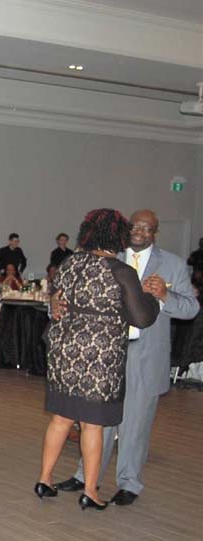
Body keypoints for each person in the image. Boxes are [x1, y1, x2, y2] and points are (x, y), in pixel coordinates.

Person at [56, 210, 199, 505]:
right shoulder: (108, 256)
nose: (140, 232)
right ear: (126, 228)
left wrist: (165, 296)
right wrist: (53, 305)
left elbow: (191, 309)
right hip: (105, 352)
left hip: (145, 354)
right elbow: (67, 293)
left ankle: (129, 482)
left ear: (155, 233)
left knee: (135, 423)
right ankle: (86, 477)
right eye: (135, 226)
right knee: (97, 418)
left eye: (147, 228)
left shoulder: (172, 264)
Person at [36, 209, 161, 511]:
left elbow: (56, 296)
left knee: (61, 419)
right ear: (118, 236)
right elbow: (141, 317)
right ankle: (90, 491)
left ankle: (44, 479)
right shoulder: (120, 271)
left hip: (65, 352)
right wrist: (153, 298)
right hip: (99, 357)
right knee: (92, 424)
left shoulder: (70, 263)